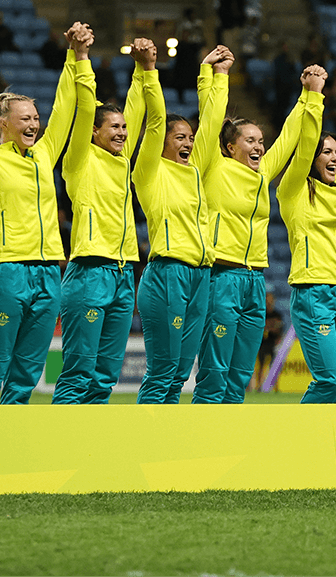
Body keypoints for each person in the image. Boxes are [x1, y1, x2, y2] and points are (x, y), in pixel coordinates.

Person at [0, 23, 90, 405]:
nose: (33, 124)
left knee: (26, 374)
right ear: (3, 123)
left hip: (49, 274)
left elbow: (64, 107)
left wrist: (74, 56)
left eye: (34, 118)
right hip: (7, 272)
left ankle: (6, 457)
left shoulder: (44, 154)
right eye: (24, 118)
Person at [191, 65, 311, 405]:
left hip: (254, 281)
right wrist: (217, 76)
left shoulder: (262, 174)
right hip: (221, 276)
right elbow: (211, 119)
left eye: (261, 141)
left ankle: (230, 437)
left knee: (241, 372)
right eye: (250, 140)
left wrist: (308, 95)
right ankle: (202, 434)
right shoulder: (212, 166)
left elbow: (289, 136)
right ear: (229, 147)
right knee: (215, 368)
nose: (259, 146)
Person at [128, 45, 233, 404]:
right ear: (161, 144)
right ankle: (144, 446)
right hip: (167, 273)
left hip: (200, 276)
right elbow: (156, 120)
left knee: (179, 376)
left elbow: (214, 123)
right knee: (162, 372)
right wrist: (150, 70)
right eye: (180, 137)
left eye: (190, 137)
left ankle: (165, 449)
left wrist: (216, 75)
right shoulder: (150, 172)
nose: (188, 142)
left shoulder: (195, 172)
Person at [52, 34, 143, 405]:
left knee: (105, 377)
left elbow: (137, 111)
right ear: (94, 131)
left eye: (124, 128)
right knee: (78, 373)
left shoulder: (122, 162)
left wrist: (144, 70)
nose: (122, 132)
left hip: (124, 274)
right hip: (90, 271)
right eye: (114, 128)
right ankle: (60, 453)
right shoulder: (79, 159)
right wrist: (83, 56)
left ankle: (87, 457)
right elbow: (83, 106)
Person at [278, 64, 336, 403]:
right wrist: (314, 95)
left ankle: (334, 453)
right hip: (315, 292)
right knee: (330, 379)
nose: (334, 158)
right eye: (326, 152)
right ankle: (298, 445)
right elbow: (305, 142)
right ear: (311, 159)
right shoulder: (294, 190)